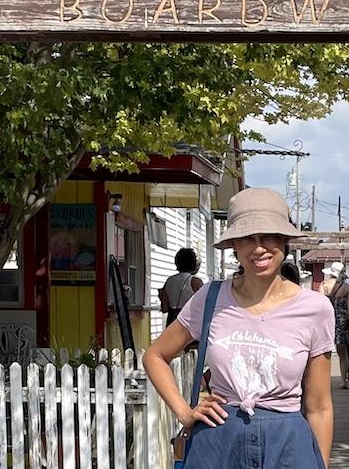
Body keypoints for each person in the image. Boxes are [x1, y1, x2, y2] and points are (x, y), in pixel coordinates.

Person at [143, 188, 335, 469]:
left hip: (288, 446)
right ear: (234, 245)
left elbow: (319, 406)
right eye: (246, 238)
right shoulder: (210, 298)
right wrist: (184, 412)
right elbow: (155, 356)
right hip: (218, 441)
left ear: (284, 240)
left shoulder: (315, 308)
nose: (258, 248)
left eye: (268, 236)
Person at [324, 263, 349, 389]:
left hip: (327, 320)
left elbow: (320, 305)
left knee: (324, 352)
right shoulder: (347, 288)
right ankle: (344, 381)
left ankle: (324, 380)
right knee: (343, 353)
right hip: (342, 321)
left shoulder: (324, 285)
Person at [159, 248, 204, 325]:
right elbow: (204, 305)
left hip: (172, 321)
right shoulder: (195, 281)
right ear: (193, 263)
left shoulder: (169, 281)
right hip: (190, 322)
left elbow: (165, 308)